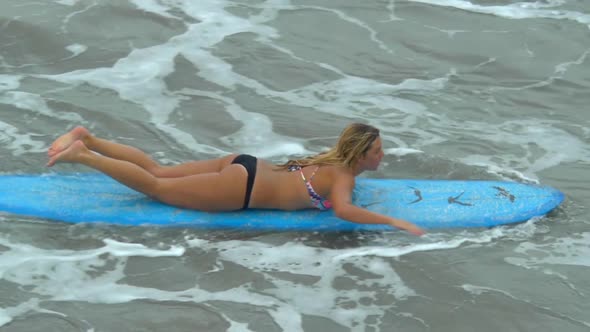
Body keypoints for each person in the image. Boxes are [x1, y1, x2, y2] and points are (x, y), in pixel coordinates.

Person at [47, 123, 425, 236]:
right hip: (240, 189)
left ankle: (88, 136)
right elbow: (343, 210)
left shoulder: (332, 160)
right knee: (156, 187)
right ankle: (83, 154)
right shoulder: (344, 176)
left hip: (245, 164)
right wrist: (392, 220)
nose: (382, 155)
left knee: (160, 169)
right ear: (360, 156)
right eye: (377, 151)